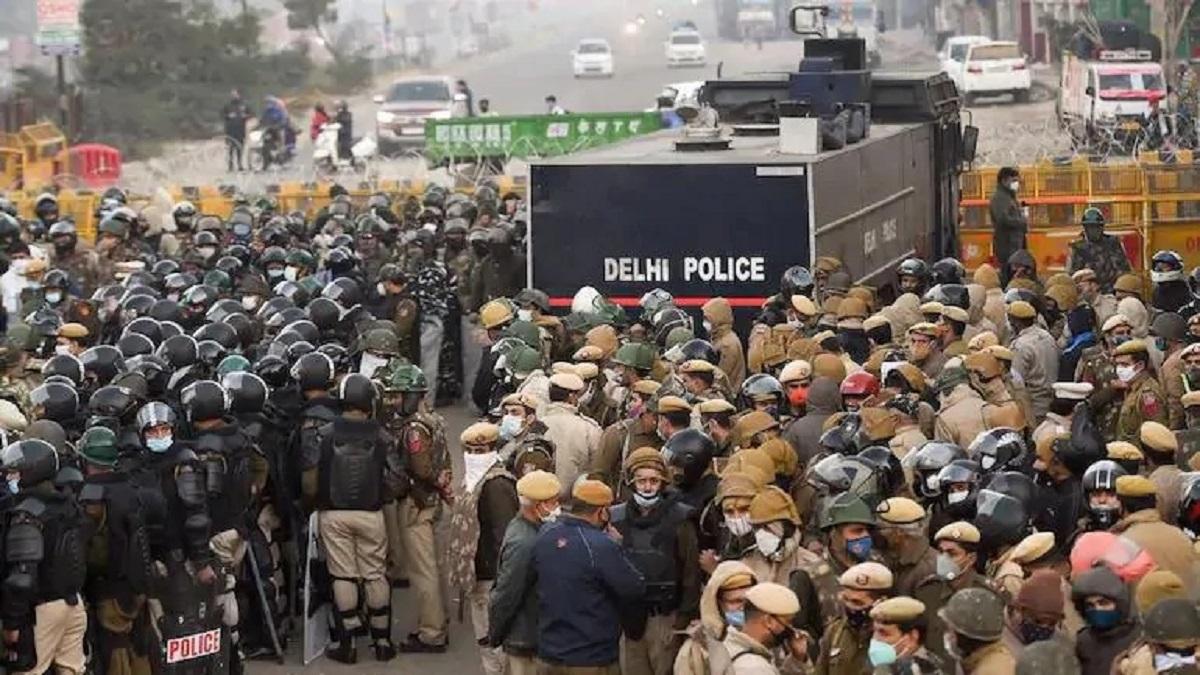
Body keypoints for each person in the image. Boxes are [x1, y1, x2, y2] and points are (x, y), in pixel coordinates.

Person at [308, 373, 405, 662]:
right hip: (371, 514)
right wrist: (381, 494)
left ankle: (347, 644)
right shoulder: (382, 436)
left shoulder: (324, 434)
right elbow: (398, 478)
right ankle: (382, 642)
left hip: (333, 514)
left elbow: (310, 479)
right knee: (375, 574)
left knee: (343, 574)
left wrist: (314, 502)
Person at [531, 477, 646, 674]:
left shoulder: (545, 535)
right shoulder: (601, 545)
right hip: (591, 658)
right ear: (602, 512)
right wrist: (619, 546)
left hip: (549, 654)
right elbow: (634, 587)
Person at [378, 362, 453, 653]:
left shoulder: (414, 429)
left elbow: (420, 468)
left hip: (416, 503)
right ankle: (439, 620)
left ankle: (431, 633)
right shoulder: (434, 420)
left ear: (413, 395)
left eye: (399, 395)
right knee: (434, 566)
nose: (394, 402)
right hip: (432, 501)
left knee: (423, 572)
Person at [0, 439, 87, 675]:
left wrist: (13, 622)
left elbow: (22, 576)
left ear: (31, 472)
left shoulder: (27, 514)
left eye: (15, 473)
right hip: (74, 604)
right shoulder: (68, 505)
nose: (10, 478)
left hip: (42, 612)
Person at [611, 447, 700, 675]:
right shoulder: (616, 518)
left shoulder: (680, 518)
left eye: (654, 481)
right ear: (631, 483)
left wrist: (683, 619)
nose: (648, 487)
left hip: (666, 617)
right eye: (641, 481)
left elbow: (691, 572)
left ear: (663, 482)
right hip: (628, 618)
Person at [444, 422, 518, 675]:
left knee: (494, 643)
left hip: (491, 578)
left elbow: (505, 536)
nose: (474, 456)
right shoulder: (474, 479)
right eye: (470, 451)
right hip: (478, 574)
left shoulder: (497, 485)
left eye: (480, 451)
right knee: (485, 641)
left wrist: (502, 581)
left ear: (493, 450)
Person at [489, 470, 562, 675]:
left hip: (532, 634)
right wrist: (496, 633)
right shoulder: (524, 543)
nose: (557, 508)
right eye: (553, 503)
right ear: (538, 506)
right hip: (525, 638)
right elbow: (507, 593)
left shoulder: (527, 527)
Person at [722, 582, 808, 675]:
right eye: (788, 621)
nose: (791, 629)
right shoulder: (754, 668)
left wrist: (797, 658)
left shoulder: (728, 645)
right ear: (769, 621)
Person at [542, 372, 603, 492]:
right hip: (576, 498)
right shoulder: (588, 428)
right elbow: (597, 466)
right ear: (571, 397)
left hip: (541, 497)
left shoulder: (537, 424)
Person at [938, 588, 1015, 675]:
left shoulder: (988, 671)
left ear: (965, 636)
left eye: (951, 630)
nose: (948, 636)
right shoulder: (997, 655)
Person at [1068, 209, 1131, 292]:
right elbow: (1073, 276)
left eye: (1097, 227)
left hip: (1113, 290)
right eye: (1090, 227)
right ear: (1085, 228)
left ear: (1102, 227)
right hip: (1089, 291)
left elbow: (1124, 270)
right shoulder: (1078, 247)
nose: (1094, 230)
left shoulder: (1112, 243)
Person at [988, 167, 1026, 278]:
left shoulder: (1010, 197)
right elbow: (1002, 219)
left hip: (1014, 243)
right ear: (1004, 181)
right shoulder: (1000, 198)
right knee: (1009, 273)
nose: (1016, 184)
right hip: (1007, 244)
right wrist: (1021, 222)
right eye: (1013, 180)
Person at [222, 89, 253, 172]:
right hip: (230, 130)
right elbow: (222, 114)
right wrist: (228, 116)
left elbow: (251, 114)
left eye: (235, 94)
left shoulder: (244, 104)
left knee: (240, 147)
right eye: (232, 95)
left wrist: (245, 116)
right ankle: (230, 166)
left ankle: (240, 165)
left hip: (240, 129)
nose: (234, 96)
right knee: (230, 149)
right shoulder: (227, 105)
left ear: (239, 95)